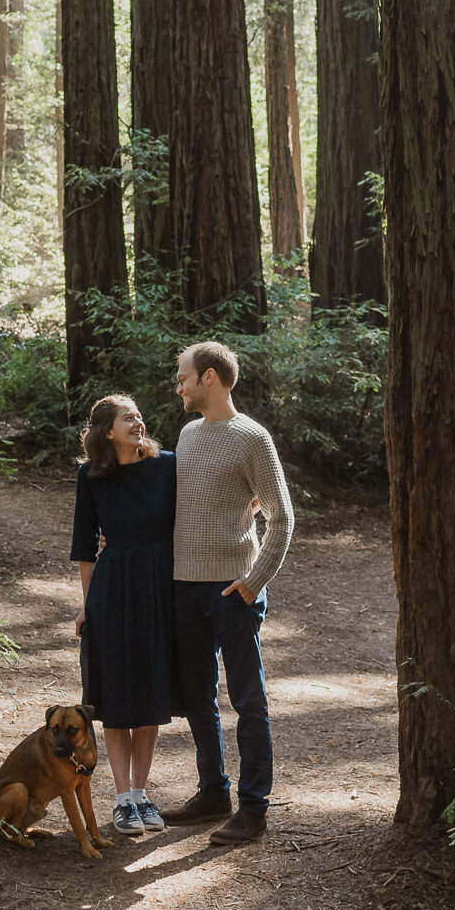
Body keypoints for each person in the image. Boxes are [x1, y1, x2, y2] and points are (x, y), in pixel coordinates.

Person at [159, 341, 294, 846]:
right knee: (197, 695)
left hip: (233, 590)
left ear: (209, 378)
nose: (179, 386)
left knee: (247, 699)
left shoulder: (251, 438)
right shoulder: (189, 434)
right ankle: (212, 791)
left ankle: (253, 806)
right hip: (184, 588)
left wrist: (255, 579)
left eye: (184, 377)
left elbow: (282, 518)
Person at [71, 393, 180, 837]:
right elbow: (84, 548)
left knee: (150, 689)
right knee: (116, 693)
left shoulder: (167, 465)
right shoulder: (91, 476)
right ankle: (121, 799)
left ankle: (142, 794)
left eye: (139, 414)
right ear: (107, 431)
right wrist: (88, 605)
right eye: (127, 418)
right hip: (113, 587)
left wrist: (248, 500)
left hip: (159, 586)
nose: (137, 422)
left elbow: (203, 504)